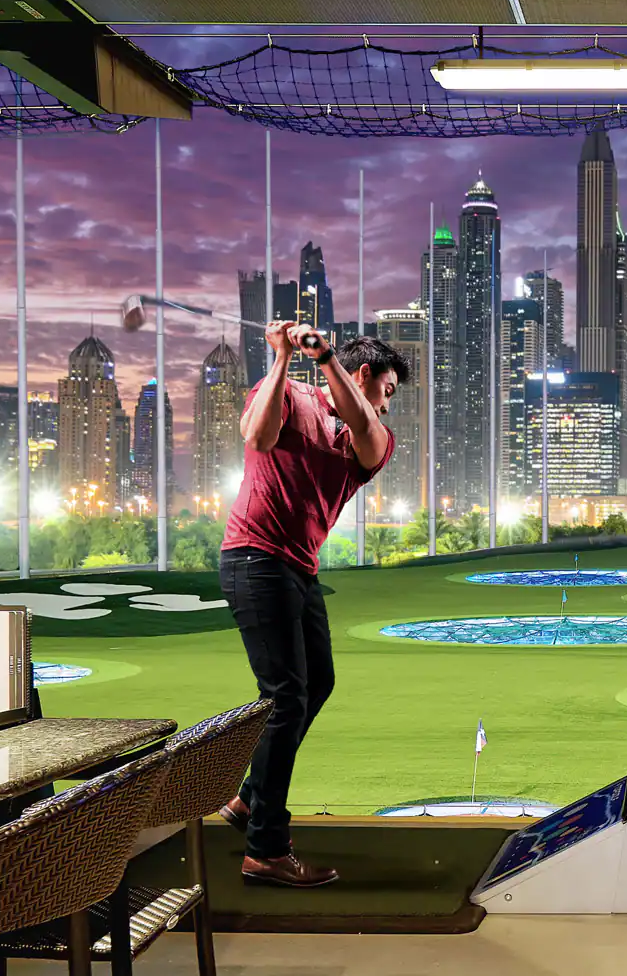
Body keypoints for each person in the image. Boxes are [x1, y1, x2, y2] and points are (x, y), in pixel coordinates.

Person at [217, 322, 408, 887]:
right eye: (387, 389)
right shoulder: (286, 394)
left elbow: (368, 434)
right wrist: (280, 358)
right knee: (285, 699)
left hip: (299, 568)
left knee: (315, 683)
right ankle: (266, 848)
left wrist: (325, 359)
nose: (387, 405)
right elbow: (258, 437)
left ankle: (251, 799)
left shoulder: (369, 436)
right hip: (254, 557)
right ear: (365, 374)